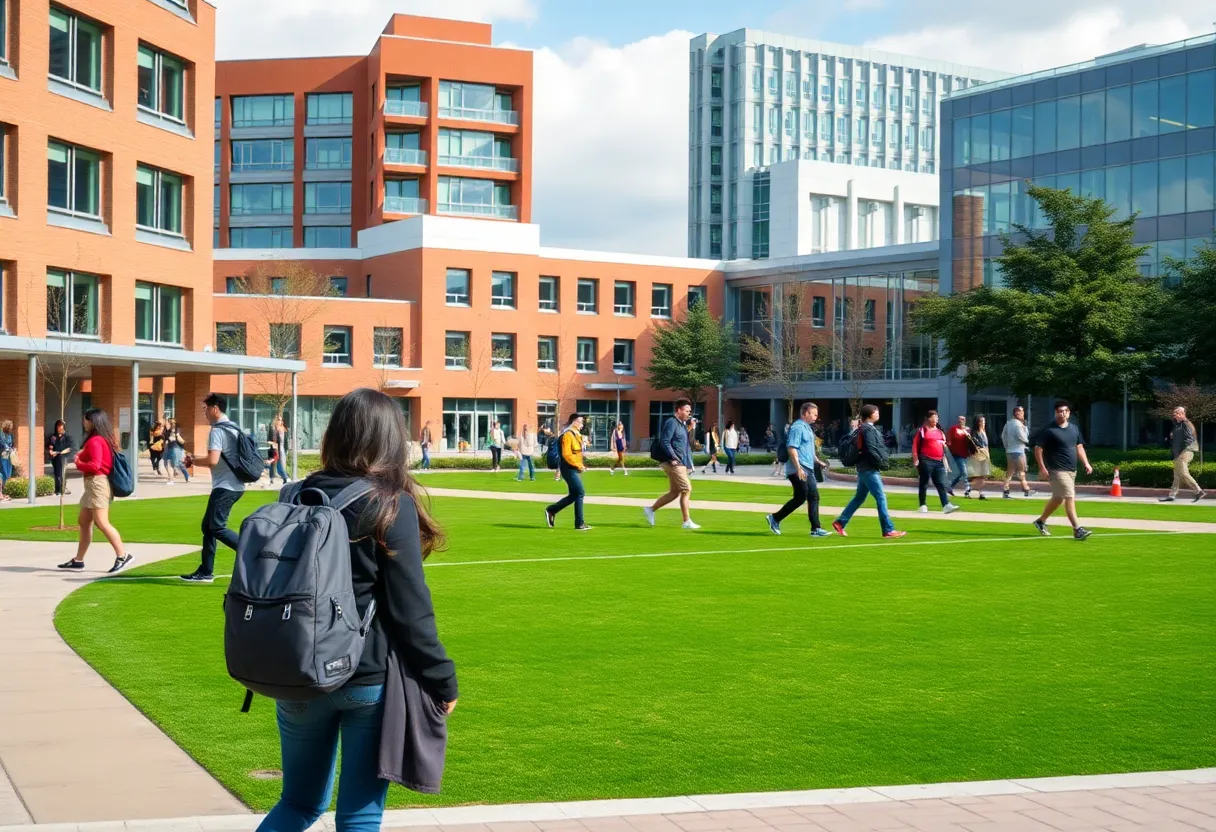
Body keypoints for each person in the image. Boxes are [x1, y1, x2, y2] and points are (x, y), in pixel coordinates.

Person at [258, 388, 457, 832]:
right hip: (363, 677)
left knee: (297, 805)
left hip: (296, 670)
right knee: (360, 816)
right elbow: (410, 611)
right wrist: (443, 678)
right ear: (389, 440)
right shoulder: (388, 503)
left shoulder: (292, 495)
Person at [57, 409, 133, 573]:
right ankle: (78, 560)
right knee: (84, 522)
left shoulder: (96, 441)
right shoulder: (101, 440)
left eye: (85, 420)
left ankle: (122, 555)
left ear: (92, 421)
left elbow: (95, 465)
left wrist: (78, 462)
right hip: (93, 485)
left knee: (102, 522)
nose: (83, 423)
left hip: (97, 484)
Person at [181, 393, 247, 583]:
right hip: (234, 485)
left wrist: (193, 460)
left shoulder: (217, 431)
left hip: (226, 486)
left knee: (216, 527)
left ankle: (252, 552)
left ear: (215, 408)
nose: (205, 413)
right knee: (208, 527)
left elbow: (213, 460)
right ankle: (205, 571)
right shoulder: (234, 428)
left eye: (206, 409)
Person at [831, 404, 906, 539]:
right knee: (881, 497)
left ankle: (840, 522)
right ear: (870, 414)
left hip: (864, 468)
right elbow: (871, 448)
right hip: (869, 468)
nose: (878, 413)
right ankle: (888, 529)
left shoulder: (864, 428)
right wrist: (882, 462)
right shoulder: (868, 429)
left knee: (859, 498)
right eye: (876, 411)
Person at [1031, 401, 1094, 540]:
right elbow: (1038, 449)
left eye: (1065, 411)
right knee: (1069, 497)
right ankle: (1077, 529)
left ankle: (1041, 521)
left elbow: (1079, 447)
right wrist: (1042, 467)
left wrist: (1086, 463)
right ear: (1056, 413)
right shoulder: (1049, 430)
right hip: (1056, 470)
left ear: (1069, 413)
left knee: (1058, 498)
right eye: (1060, 411)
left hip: (1072, 470)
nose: (1062, 413)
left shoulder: (1074, 429)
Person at [766, 402, 830, 537]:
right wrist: (798, 468)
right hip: (799, 469)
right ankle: (814, 528)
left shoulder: (807, 428)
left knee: (804, 497)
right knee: (811, 496)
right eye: (814, 414)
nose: (816, 417)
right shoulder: (797, 427)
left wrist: (817, 461)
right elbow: (792, 448)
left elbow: (808, 449)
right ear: (805, 413)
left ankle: (776, 519)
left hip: (807, 468)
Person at [644, 399, 699, 530]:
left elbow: (685, 446)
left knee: (675, 492)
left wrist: (689, 464)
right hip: (673, 462)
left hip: (680, 462)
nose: (688, 413)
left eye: (689, 411)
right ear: (679, 410)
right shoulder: (671, 422)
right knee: (686, 489)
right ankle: (686, 521)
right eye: (686, 411)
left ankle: (650, 509)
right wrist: (672, 457)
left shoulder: (682, 425)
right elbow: (665, 441)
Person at [544, 414, 590, 531]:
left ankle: (551, 510)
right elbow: (567, 454)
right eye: (580, 422)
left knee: (574, 495)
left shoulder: (576, 435)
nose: (582, 424)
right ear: (574, 422)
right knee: (580, 493)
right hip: (568, 468)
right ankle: (579, 523)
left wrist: (581, 465)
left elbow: (577, 453)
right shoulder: (568, 435)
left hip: (573, 468)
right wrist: (579, 465)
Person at [911, 411, 959, 515]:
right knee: (924, 482)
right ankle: (922, 505)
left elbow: (944, 443)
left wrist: (945, 444)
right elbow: (915, 444)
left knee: (940, 483)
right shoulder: (922, 430)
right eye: (934, 417)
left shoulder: (940, 431)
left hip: (939, 461)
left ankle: (946, 505)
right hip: (926, 460)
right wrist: (915, 458)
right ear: (928, 418)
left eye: (937, 417)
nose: (936, 419)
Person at [1161, 406, 1205, 502]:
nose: (1174, 415)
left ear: (1182, 414)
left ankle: (1198, 490)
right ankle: (1172, 495)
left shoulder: (1186, 423)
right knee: (1177, 474)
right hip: (1179, 452)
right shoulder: (1178, 425)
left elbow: (1189, 438)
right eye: (1174, 413)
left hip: (1186, 451)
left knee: (1183, 472)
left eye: (1176, 413)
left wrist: (1183, 449)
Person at [1001, 405, 1035, 499]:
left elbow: (1003, 436)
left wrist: (1007, 446)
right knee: (1022, 471)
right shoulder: (1019, 424)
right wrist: (1028, 442)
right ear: (1017, 413)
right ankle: (1026, 490)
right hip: (1019, 450)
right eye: (1022, 412)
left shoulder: (1008, 423)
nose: (1023, 414)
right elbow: (1022, 436)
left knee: (1010, 472)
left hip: (1010, 451)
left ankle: (1005, 490)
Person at [946, 415, 973, 497]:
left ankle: (950, 487)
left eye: (963, 419)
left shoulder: (968, 430)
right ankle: (967, 488)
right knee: (964, 471)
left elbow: (971, 442)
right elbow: (949, 441)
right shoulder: (953, 429)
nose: (961, 421)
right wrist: (948, 447)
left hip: (965, 454)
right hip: (956, 453)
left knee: (961, 473)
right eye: (959, 419)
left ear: (965, 420)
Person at [47, 420, 74, 497]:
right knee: (56, 474)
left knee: (62, 474)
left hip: (63, 458)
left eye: (60, 425)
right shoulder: (53, 437)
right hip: (55, 459)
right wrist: (51, 451)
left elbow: (69, 448)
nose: (59, 427)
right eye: (58, 426)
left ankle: (62, 489)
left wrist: (58, 453)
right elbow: (51, 446)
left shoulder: (67, 436)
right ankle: (57, 490)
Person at [968, 416, 992, 500]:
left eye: (984, 421)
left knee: (983, 475)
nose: (983, 423)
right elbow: (974, 444)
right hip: (978, 455)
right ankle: (973, 491)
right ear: (977, 423)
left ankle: (976, 491)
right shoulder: (975, 433)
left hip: (985, 453)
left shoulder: (984, 432)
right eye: (981, 421)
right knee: (978, 475)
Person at [163, 418, 190, 485]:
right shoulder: (167, 431)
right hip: (170, 448)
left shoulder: (177, 431)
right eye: (170, 423)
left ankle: (173, 479)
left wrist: (176, 436)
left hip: (177, 449)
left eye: (171, 423)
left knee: (175, 464)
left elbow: (182, 441)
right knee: (169, 464)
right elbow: (166, 441)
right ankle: (172, 478)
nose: (171, 424)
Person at [266, 416, 289, 485]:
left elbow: (286, 441)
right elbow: (268, 440)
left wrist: (286, 449)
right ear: (276, 421)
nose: (280, 422)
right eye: (279, 420)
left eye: (281, 420)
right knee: (273, 464)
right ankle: (273, 478)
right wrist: (274, 443)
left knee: (281, 464)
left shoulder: (284, 429)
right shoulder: (273, 429)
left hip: (282, 449)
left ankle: (284, 477)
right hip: (274, 449)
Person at [0, 420, 14, 501]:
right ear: (7, 426)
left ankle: (2, 493)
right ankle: (0, 493)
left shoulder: (9, 435)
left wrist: (12, 449)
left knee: (7, 474)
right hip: (3, 456)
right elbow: (2, 444)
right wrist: (9, 448)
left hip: (9, 456)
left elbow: (11, 444)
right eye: (10, 426)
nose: (11, 428)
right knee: (2, 473)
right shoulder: (1, 434)